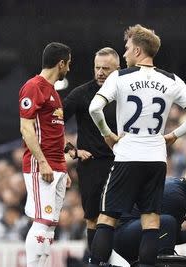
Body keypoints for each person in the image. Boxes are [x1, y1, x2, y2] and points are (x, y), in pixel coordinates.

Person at [67, 24, 186, 267]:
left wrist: (107, 134)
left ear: (139, 50)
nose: (125, 52)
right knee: (150, 221)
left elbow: (95, 107)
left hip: (127, 155)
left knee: (107, 217)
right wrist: (173, 135)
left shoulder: (120, 77)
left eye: (128, 48)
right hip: (156, 158)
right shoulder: (171, 79)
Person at [66, 163, 186, 267]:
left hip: (134, 230)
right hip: (125, 234)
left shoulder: (185, 192)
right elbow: (171, 235)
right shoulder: (176, 198)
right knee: (167, 224)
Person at [19, 42, 72, 267]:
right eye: (68, 63)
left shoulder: (52, 90)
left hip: (56, 165)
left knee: (50, 222)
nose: (68, 69)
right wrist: (43, 162)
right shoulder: (33, 87)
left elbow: (53, 132)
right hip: (42, 165)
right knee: (41, 220)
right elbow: (26, 127)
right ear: (61, 63)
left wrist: (63, 168)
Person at [63, 47, 120, 254]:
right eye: (97, 68)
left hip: (123, 163)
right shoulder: (81, 93)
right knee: (93, 218)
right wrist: (70, 149)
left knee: (123, 218)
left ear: (117, 69)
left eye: (106, 68)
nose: (100, 72)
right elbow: (52, 122)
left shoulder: (126, 93)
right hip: (92, 164)